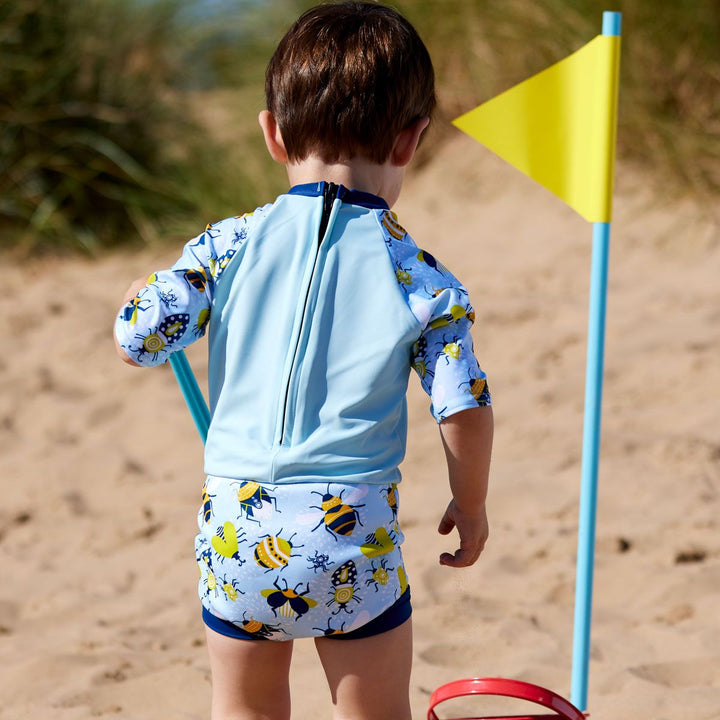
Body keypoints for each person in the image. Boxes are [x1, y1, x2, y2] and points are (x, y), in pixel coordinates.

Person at [114, 2, 493, 719]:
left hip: (239, 526)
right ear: (413, 142)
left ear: (272, 134)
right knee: (375, 709)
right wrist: (469, 503)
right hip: (350, 529)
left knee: (247, 708)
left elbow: (141, 339)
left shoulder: (228, 244)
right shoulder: (419, 275)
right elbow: (463, 405)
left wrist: (140, 297)